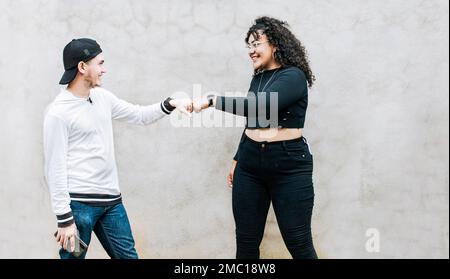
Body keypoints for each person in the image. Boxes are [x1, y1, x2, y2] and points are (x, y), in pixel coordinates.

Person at [43, 38, 192, 259]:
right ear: (82, 67)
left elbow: (140, 115)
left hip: (111, 204)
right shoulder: (58, 112)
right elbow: (53, 168)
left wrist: (170, 103)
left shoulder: (102, 97)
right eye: (100, 63)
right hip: (78, 207)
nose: (104, 70)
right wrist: (65, 219)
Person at [193, 17, 318, 259]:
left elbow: (260, 107)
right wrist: (238, 158)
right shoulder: (259, 77)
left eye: (256, 44)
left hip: (288, 165)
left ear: (276, 45)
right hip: (250, 165)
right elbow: (257, 120)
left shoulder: (293, 77)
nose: (251, 51)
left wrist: (212, 100)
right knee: (247, 244)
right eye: (248, 46)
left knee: (299, 243)